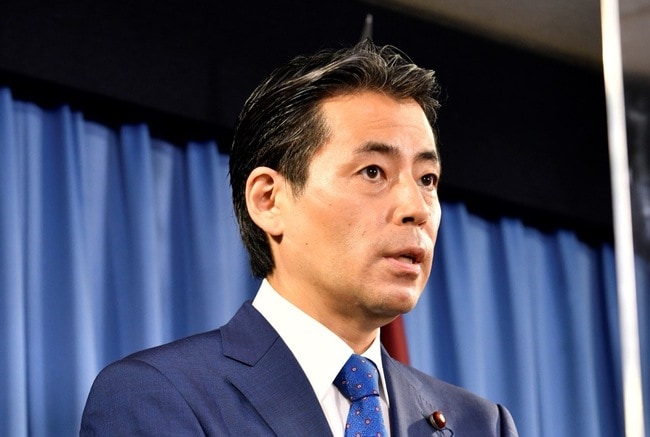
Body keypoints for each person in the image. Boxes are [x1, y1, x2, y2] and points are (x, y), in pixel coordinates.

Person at [80, 39, 518, 436]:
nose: (417, 208)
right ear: (269, 200)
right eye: (373, 172)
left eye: (427, 178)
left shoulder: (480, 424)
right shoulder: (160, 396)